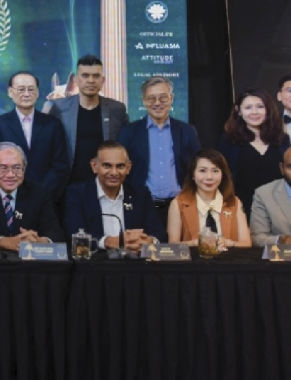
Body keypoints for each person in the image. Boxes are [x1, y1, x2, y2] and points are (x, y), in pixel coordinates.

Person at [117, 76, 201, 226]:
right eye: (151, 98)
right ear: (144, 100)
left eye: (163, 98)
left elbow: (198, 168)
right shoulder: (129, 132)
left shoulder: (187, 131)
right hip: (142, 208)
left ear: (171, 98)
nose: (157, 103)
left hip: (180, 207)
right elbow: (121, 170)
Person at [64, 141, 167, 253]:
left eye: (120, 166)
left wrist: (149, 242)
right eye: (107, 166)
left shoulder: (140, 194)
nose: (114, 172)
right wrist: (109, 242)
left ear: (128, 167)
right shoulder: (77, 193)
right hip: (95, 260)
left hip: (134, 260)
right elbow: (74, 234)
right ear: (94, 166)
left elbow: (159, 233)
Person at [47, 54, 129, 189]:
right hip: (68, 187)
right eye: (85, 76)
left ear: (102, 80)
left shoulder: (117, 109)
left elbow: (126, 146)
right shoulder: (59, 108)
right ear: (76, 80)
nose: (91, 80)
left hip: (107, 186)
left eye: (96, 76)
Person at [0, 142, 65, 252]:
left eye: (17, 168)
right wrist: (1, 241)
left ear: (24, 168)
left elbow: (55, 232)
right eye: (3, 168)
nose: (10, 175)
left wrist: (40, 241)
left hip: (28, 260)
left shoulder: (38, 192)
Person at [0, 71, 70, 199]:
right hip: (10, 198)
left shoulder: (52, 124)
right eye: (21, 89)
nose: (26, 94)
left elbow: (60, 165)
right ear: (10, 92)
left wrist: (41, 194)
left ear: (37, 93)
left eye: (31, 89)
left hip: (47, 198)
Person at [218, 87, 290, 217]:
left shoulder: (282, 139)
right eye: (248, 107)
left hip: (280, 208)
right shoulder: (229, 140)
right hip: (242, 208)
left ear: (268, 109)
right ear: (238, 111)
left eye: (260, 107)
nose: (254, 112)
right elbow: (225, 177)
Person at [166, 148, 251, 248]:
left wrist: (228, 243)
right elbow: (172, 245)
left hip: (228, 257)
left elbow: (246, 244)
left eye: (215, 171)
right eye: (202, 171)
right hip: (192, 258)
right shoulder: (178, 203)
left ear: (222, 174)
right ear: (193, 174)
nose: (209, 177)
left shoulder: (234, 203)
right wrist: (195, 243)